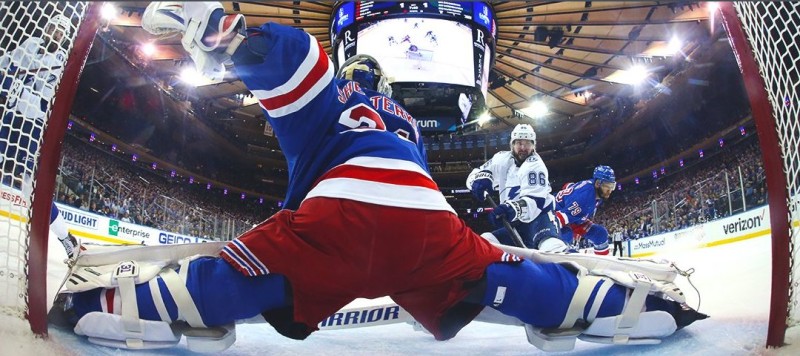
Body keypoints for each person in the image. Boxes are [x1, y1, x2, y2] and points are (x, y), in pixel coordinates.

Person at [48, 2, 705, 352]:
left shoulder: (334, 102)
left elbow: (296, 64)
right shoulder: (407, 127)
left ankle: (106, 306)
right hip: (423, 221)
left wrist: (224, 39)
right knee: (510, 280)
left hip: (336, 215)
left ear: (350, 75)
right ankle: (630, 308)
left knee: (232, 286)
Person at [0, 14, 79, 258]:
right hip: (9, 119)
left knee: (30, 187)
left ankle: (66, 238)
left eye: (59, 32)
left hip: (29, 128)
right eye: (53, 27)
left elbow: (42, 104)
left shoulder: (59, 62)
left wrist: (15, 90)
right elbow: (5, 64)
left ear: (63, 38)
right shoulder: (31, 44)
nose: (55, 33)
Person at [466, 124, 564, 251]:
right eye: (519, 143)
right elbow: (473, 176)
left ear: (534, 146)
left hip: (539, 220)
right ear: (512, 144)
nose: (523, 148)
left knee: (551, 247)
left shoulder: (535, 165)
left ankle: (570, 267)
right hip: (514, 224)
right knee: (485, 242)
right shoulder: (501, 159)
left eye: (527, 143)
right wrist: (480, 180)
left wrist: (510, 209)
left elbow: (535, 203)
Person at [554, 165, 617, 255]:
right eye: (608, 186)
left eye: (612, 186)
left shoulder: (597, 192)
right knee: (567, 235)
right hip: (555, 214)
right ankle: (557, 260)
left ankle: (602, 265)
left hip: (572, 218)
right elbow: (558, 220)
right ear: (598, 183)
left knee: (600, 234)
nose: (610, 190)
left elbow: (568, 185)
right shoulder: (584, 198)